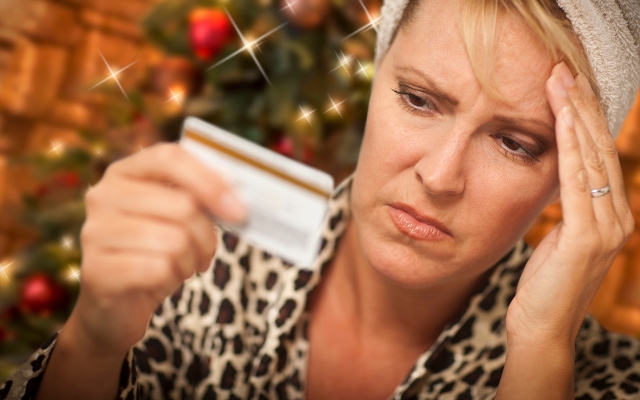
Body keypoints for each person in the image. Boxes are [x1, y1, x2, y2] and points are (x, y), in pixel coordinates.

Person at [3, 0, 640, 398]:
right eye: (418, 99)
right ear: (374, 85)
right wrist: (90, 342)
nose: (440, 176)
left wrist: (538, 347)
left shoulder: (610, 379)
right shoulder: (192, 257)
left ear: (574, 179)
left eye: (515, 143)